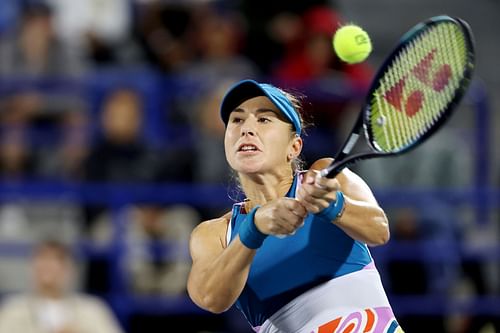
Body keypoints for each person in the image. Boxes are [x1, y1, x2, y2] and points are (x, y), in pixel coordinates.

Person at [187, 79, 403, 332]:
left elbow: (379, 230)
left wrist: (333, 205)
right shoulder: (215, 234)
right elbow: (210, 299)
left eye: (264, 120)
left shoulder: (328, 174)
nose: (246, 129)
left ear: (294, 146)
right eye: (237, 120)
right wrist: (253, 229)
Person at [0, 240, 124, 333]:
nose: (48, 267)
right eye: (43, 260)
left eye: (56, 261)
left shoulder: (92, 309)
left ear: (69, 269)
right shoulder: (13, 310)